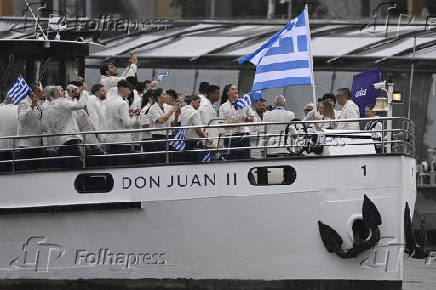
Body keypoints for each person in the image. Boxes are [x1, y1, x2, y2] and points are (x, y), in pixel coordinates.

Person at [46, 86, 86, 169]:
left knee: (66, 168)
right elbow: (80, 105)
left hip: (60, 142)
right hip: (70, 139)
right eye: (62, 90)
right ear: (56, 94)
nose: (65, 92)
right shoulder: (61, 102)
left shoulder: (50, 107)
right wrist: (84, 92)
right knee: (78, 167)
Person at [105, 80, 139, 166]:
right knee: (123, 166)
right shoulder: (123, 103)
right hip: (122, 140)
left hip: (111, 139)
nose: (129, 92)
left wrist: (128, 115)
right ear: (123, 89)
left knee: (112, 165)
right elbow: (127, 123)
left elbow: (116, 118)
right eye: (128, 90)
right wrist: (135, 116)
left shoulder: (110, 103)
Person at [218, 84, 254, 160]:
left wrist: (245, 119)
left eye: (236, 89)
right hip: (230, 135)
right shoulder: (223, 107)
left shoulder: (244, 103)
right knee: (231, 158)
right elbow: (221, 123)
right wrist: (232, 123)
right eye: (233, 89)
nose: (236, 91)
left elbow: (252, 118)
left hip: (244, 134)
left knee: (245, 157)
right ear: (227, 92)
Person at [148, 88, 180, 163]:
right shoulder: (152, 109)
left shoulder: (168, 107)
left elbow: (173, 124)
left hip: (168, 135)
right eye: (164, 94)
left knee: (171, 157)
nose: (166, 96)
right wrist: (172, 111)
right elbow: (161, 120)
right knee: (160, 159)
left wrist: (177, 115)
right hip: (158, 136)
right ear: (159, 97)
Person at [16, 83, 44, 171]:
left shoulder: (39, 104)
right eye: (39, 91)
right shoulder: (23, 103)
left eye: (41, 91)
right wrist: (32, 105)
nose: (41, 94)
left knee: (37, 171)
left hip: (37, 144)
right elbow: (22, 119)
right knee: (26, 171)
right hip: (27, 145)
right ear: (32, 93)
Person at [179, 95, 213, 162]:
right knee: (195, 163)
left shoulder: (182, 110)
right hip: (193, 142)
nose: (199, 105)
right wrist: (208, 139)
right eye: (198, 102)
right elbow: (198, 130)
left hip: (182, 141)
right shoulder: (195, 113)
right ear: (193, 102)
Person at [199, 84, 221, 151]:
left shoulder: (210, 105)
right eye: (217, 94)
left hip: (211, 141)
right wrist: (210, 141)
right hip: (208, 143)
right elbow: (206, 125)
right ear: (211, 94)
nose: (219, 96)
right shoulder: (206, 107)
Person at [0, 95, 18, 172]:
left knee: (4, 167)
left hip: (3, 142)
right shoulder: (19, 109)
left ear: (5, 100)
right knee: (16, 167)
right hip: (16, 142)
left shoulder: (0, 109)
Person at [139, 90, 155, 163]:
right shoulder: (146, 109)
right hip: (148, 139)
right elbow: (145, 125)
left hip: (152, 138)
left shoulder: (153, 108)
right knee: (149, 160)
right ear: (150, 98)